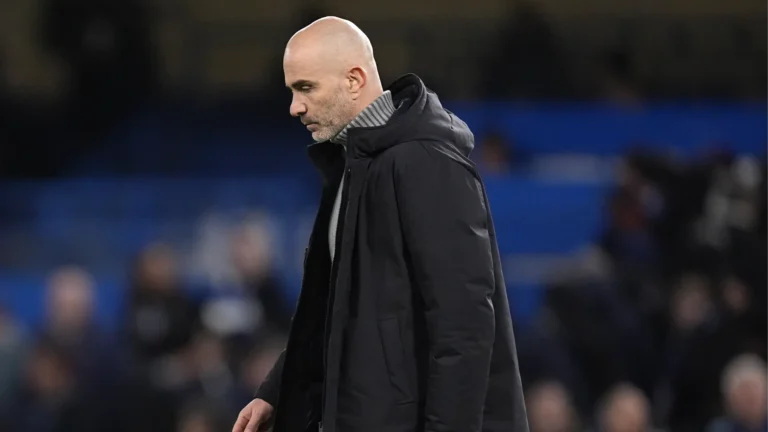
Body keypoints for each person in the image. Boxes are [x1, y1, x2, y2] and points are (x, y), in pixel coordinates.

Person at [233, 16, 529, 432]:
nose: (294, 107)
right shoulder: (351, 165)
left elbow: (464, 326)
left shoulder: (424, 162)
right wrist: (276, 391)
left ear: (354, 80)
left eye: (306, 88)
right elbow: (336, 310)